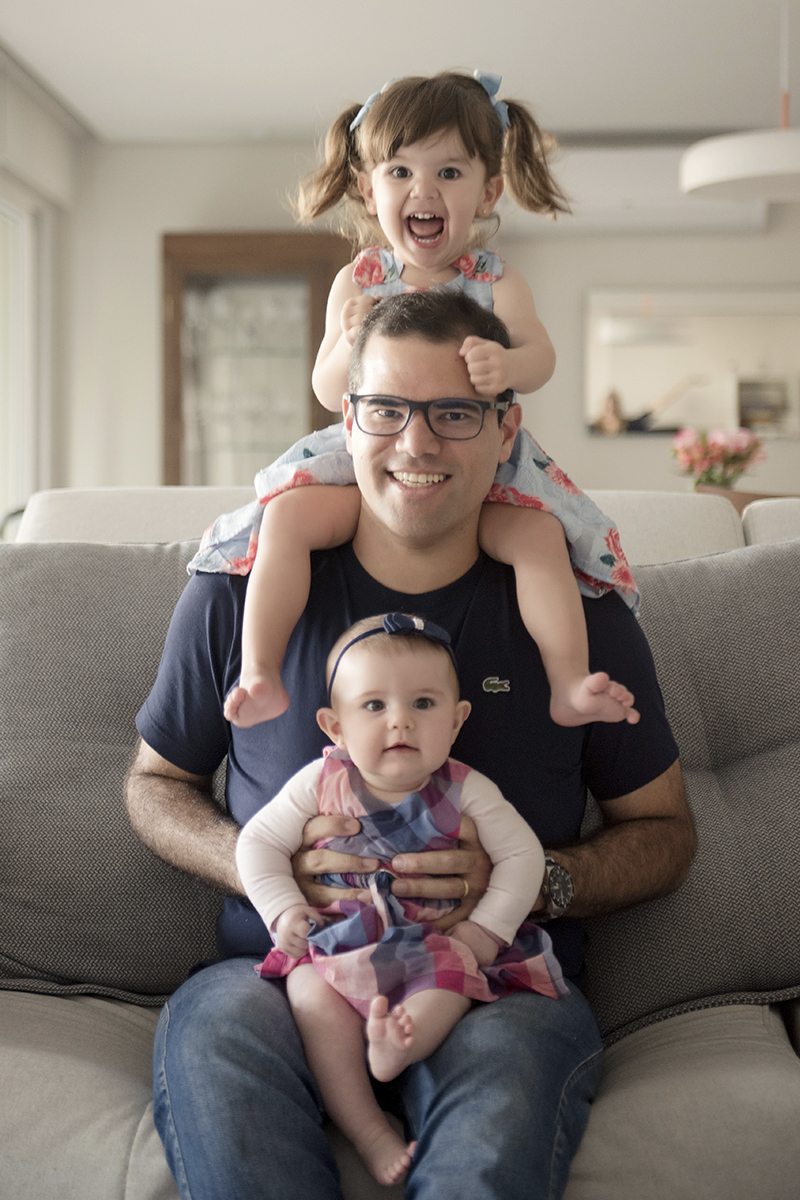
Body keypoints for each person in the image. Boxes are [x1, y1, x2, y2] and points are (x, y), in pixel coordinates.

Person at [126, 288, 695, 1200]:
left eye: (454, 414)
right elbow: (154, 786)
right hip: (277, 972)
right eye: (386, 409)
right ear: (345, 423)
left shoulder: (580, 621)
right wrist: (265, 872)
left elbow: (667, 830)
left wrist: (530, 884)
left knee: (494, 1132)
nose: (417, 444)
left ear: (506, 430)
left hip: (493, 976)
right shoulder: (239, 599)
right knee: (223, 1056)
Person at [189, 70, 640, 733]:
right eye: (399, 171)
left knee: (541, 537)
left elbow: (541, 358)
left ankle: (569, 682)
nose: (423, 190)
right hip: (367, 462)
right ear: (370, 191)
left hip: (481, 469)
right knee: (285, 519)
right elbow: (325, 387)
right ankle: (259, 669)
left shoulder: (497, 282)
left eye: (449, 173)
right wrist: (348, 340)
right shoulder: (359, 279)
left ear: (488, 191)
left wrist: (507, 362)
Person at [236, 610, 569, 1186]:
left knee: (453, 976)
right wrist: (283, 909)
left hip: (430, 944)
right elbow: (259, 842)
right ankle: (368, 1129)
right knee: (309, 995)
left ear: (458, 720)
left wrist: (485, 931)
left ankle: (397, 1047)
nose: (401, 723)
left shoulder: (466, 788)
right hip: (335, 946)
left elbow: (523, 856)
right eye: (374, 706)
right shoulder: (320, 783)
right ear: (333, 726)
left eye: (423, 704)